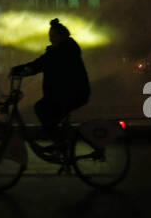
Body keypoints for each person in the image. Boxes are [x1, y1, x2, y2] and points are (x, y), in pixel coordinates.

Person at [11, 18, 91, 152]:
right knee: (49, 115)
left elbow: (41, 63)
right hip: (71, 92)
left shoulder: (64, 51)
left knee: (42, 109)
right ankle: (63, 142)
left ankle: (60, 143)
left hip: (72, 93)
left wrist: (19, 70)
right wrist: (25, 69)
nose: (51, 40)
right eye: (50, 37)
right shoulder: (64, 49)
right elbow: (42, 63)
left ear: (62, 36)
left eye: (53, 36)